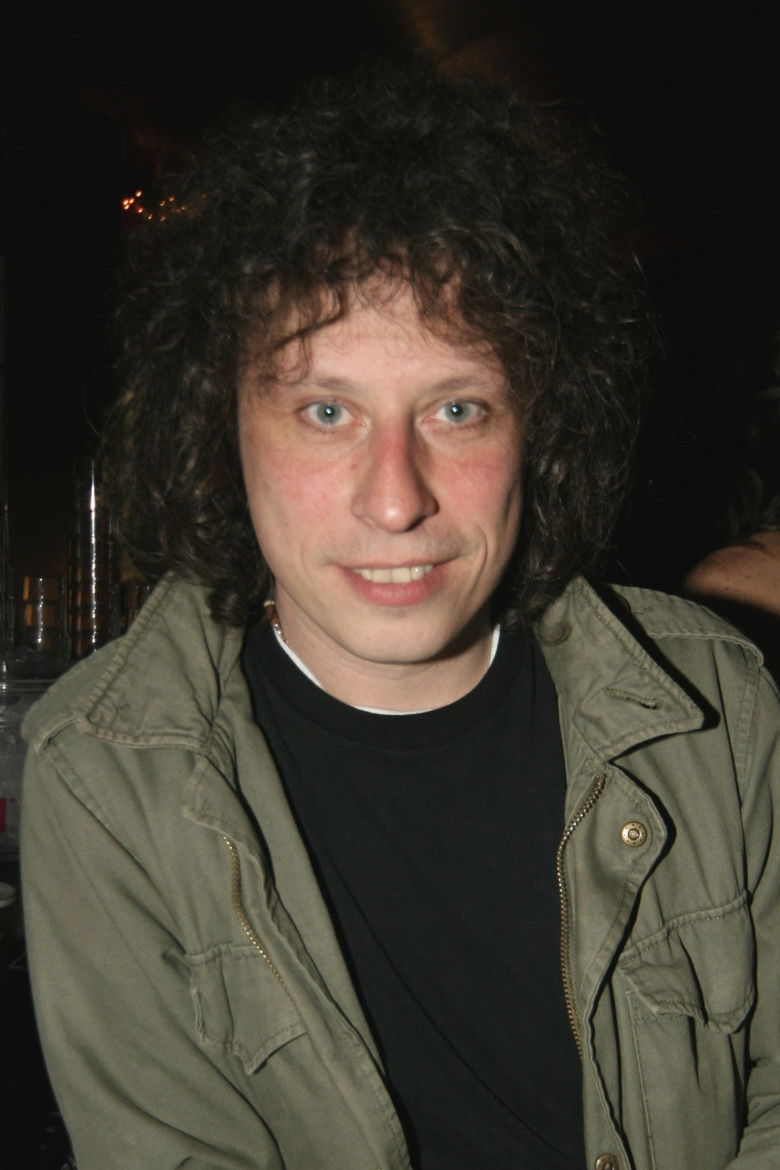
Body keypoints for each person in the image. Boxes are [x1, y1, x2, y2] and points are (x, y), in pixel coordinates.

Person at [21, 59, 780, 1170]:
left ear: (539, 429)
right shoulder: (101, 778)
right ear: (221, 428)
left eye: (458, 409)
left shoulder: (722, 709)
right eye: (326, 412)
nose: (395, 498)